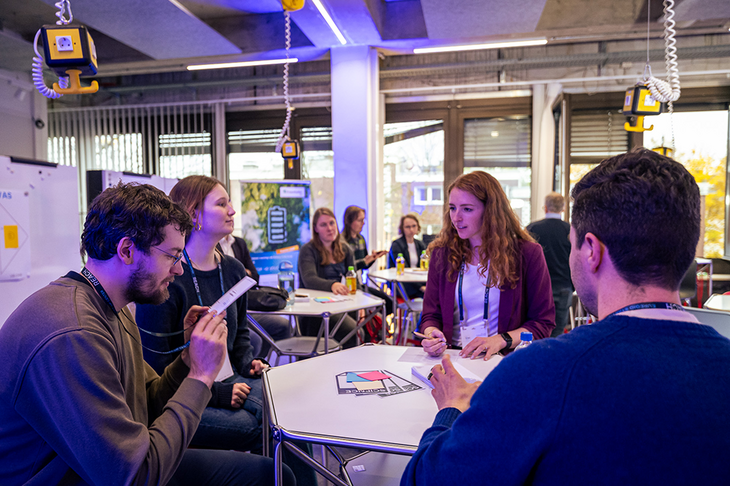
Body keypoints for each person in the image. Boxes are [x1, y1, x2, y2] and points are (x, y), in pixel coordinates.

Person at [401, 149, 730, 486]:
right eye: (453, 208)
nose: (457, 217)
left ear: (591, 251)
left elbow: (430, 479)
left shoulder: (539, 374)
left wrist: (451, 410)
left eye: (571, 244)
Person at [0, 182, 294, 486]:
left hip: (112, 468)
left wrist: (188, 359)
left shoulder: (111, 306)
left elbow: (148, 403)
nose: (179, 270)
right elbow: (135, 477)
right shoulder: (73, 333)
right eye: (172, 256)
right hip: (93, 477)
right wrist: (201, 377)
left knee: (270, 475)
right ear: (127, 250)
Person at [136, 175, 267, 454]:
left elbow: (240, 336)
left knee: (284, 410)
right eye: (221, 204)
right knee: (269, 425)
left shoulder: (233, 269)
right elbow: (156, 368)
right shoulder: (166, 278)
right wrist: (217, 393)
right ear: (193, 213)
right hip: (180, 396)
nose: (232, 210)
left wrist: (249, 364)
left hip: (232, 381)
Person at [419, 171, 555, 359]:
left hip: (502, 360)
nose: (456, 217)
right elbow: (430, 316)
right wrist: (430, 334)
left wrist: (501, 340)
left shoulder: (527, 254)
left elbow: (542, 322)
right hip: (451, 357)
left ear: (490, 211)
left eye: (467, 209)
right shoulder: (442, 254)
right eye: (452, 208)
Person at [219, 232, 293, 357]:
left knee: (284, 326)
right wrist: (243, 274)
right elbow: (223, 281)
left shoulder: (239, 243)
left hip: (247, 306)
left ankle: (258, 361)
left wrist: (241, 274)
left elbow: (254, 277)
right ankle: (249, 363)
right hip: (226, 311)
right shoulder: (211, 246)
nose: (231, 217)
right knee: (254, 340)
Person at [298, 207, 361, 348]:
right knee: (354, 332)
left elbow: (355, 280)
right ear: (316, 229)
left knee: (369, 323)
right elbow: (309, 279)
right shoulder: (308, 250)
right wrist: (332, 285)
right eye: (323, 225)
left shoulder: (345, 249)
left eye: (332, 223)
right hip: (315, 309)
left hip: (339, 303)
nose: (330, 228)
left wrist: (362, 304)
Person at [526, 192, 573, 337]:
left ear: (545, 208)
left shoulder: (532, 229)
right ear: (563, 208)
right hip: (563, 286)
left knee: (536, 329)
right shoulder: (570, 230)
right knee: (558, 331)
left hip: (537, 287)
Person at [341, 205, 392, 323]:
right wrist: (365, 261)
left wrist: (373, 258)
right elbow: (347, 268)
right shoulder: (341, 242)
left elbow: (364, 266)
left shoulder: (361, 239)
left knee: (388, 302)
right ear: (349, 221)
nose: (363, 223)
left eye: (363, 220)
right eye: (360, 220)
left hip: (359, 284)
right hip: (348, 286)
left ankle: (375, 326)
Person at [388, 213, 428, 298]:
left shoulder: (420, 244)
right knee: (429, 296)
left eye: (414, 226)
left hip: (418, 280)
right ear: (402, 228)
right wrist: (420, 287)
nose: (411, 229)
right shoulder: (396, 244)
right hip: (403, 283)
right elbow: (404, 269)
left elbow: (425, 266)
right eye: (408, 227)